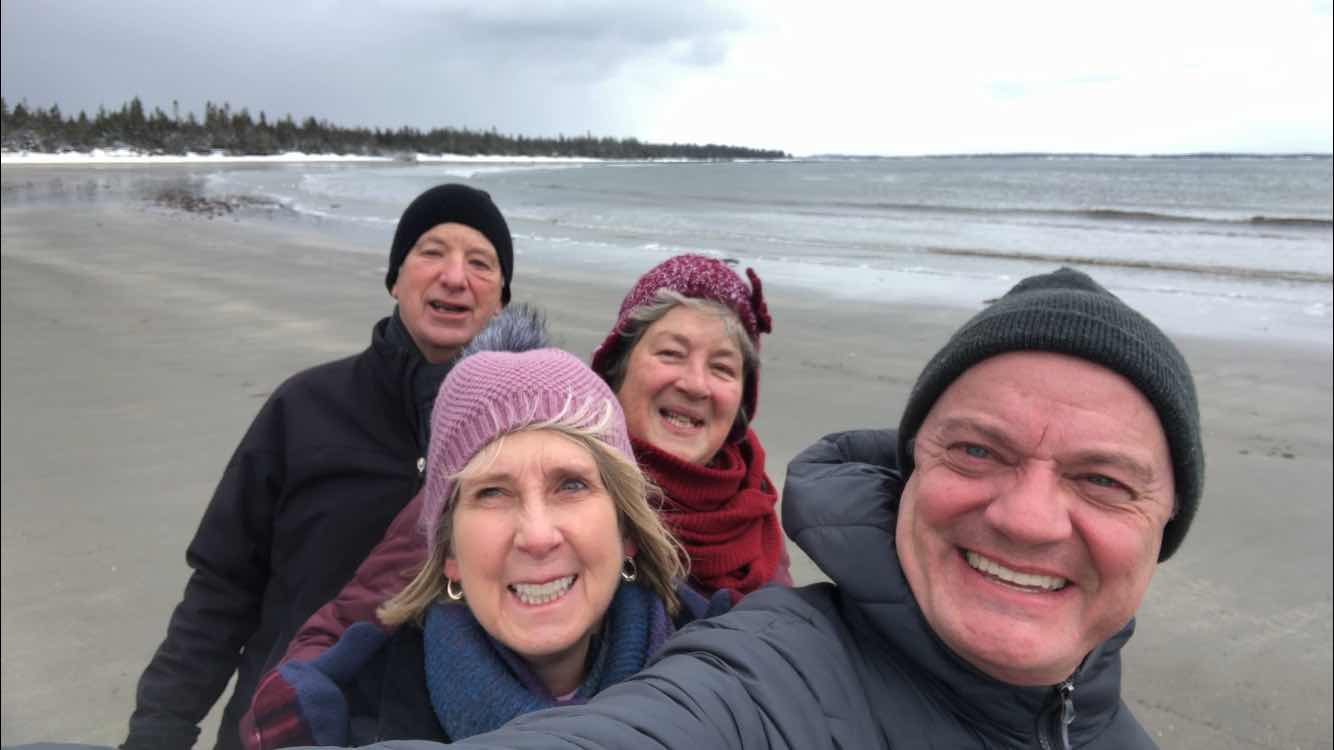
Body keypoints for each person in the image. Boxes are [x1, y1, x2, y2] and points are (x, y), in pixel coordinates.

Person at [414, 266, 1205, 749]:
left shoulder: (754, 532)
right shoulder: (774, 660)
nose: (1027, 519)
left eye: (1104, 480)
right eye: (976, 451)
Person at [263, 253, 789, 681]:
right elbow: (355, 619)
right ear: (617, 366)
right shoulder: (508, 451)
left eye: (723, 367)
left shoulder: (754, 508)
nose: (696, 384)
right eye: (671, 354)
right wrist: (295, 707)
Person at [121, 183, 515, 750]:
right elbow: (222, 588)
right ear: (395, 279)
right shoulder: (304, 408)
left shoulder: (522, 433)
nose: (455, 277)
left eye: (480, 262)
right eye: (432, 252)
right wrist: (159, 729)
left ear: (501, 297)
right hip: (280, 728)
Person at [242, 314, 727, 747]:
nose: (537, 536)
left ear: (627, 531)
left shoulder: (729, 683)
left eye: (571, 485)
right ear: (448, 553)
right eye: (492, 492)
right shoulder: (348, 721)